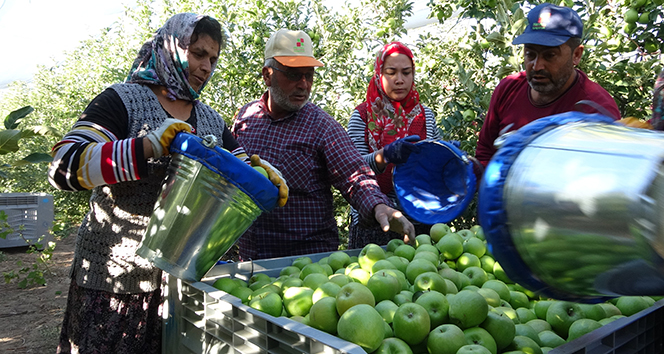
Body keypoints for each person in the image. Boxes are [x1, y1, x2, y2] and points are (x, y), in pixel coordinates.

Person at [48, 13, 284, 354]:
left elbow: (241, 168)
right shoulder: (123, 101)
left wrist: (264, 173)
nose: (206, 66)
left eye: (213, 59)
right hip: (115, 282)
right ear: (172, 47)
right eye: (198, 53)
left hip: (180, 287)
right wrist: (146, 146)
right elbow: (62, 166)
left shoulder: (210, 120)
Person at [231, 29, 415, 260]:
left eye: (309, 75)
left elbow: (354, 174)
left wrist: (379, 206)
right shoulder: (246, 118)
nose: (304, 84)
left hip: (306, 264)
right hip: (252, 259)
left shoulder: (321, 126)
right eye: (293, 74)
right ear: (267, 75)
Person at [475, 3, 621, 166]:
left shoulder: (595, 110)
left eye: (550, 55)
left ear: (576, 55)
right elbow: (485, 152)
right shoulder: (508, 88)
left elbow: (604, 176)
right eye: (530, 54)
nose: (537, 66)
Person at [345, 41, 440, 248]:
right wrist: (384, 155)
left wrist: (445, 155)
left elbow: (435, 170)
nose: (399, 80)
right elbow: (352, 171)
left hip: (420, 220)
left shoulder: (425, 117)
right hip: (375, 223)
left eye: (406, 73)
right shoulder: (362, 117)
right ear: (379, 74)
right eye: (391, 72)